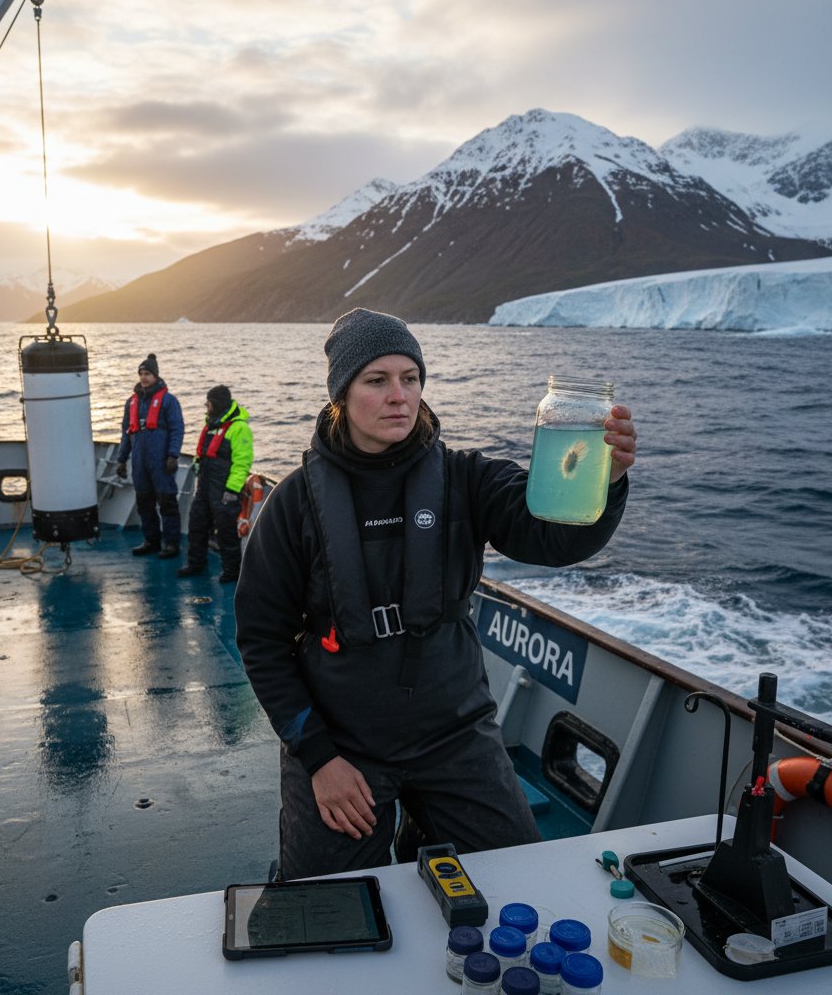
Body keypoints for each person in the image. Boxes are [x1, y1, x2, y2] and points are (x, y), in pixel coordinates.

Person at [234, 308, 638, 881]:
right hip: (344, 742)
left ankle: (423, 827)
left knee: (519, 876)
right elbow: (262, 641)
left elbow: (551, 535)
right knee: (325, 902)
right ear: (341, 395)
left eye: (410, 378)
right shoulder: (294, 506)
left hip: (453, 733)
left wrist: (608, 481)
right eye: (377, 381)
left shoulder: (464, 479)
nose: (400, 395)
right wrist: (319, 759)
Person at [177, 385, 254, 584]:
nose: (206, 406)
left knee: (227, 530)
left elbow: (242, 462)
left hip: (224, 489)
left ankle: (232, 571)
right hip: (204, 486)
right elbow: (202, 454)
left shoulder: (239, 428)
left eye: (209, 403)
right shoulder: (210, 425)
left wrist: (232, 489)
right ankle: (196, 563)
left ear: (217, 404)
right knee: (197, 524)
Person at [116, 353, 185, 558]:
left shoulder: (168, 401)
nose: (144, 377)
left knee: (167, 502)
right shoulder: (132, 403)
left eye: (148, 373)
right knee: (144, 502)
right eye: (141, 374)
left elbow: (177, 429)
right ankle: (151, 541)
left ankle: (172, 544)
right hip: (140, 462)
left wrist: (173, 455)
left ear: (156, 376)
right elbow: (126, 433)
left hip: (161, 460)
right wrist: (121, 459)